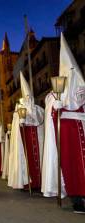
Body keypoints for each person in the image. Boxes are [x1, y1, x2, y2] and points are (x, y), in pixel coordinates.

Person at [42, 33, 85, 213]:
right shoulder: (54, 94)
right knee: (72, 165)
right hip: (67, 134)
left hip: (82, 128)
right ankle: (77, 199)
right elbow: (48, 110)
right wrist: (55, 107)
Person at [8, 72, 44, 190]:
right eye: (26, 97)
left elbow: (40, 119)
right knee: (26, 160)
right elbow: (16, 125)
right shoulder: (18, 110)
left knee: (39, 159)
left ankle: (40, 182)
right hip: (24, 139)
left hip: (37, 138)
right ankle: (27, 183)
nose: (28, 99)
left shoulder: (37, 109)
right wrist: (21, 120)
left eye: (30, 97)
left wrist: (30, 113)